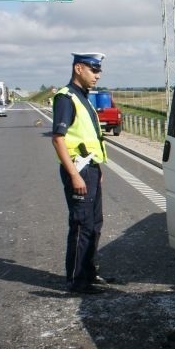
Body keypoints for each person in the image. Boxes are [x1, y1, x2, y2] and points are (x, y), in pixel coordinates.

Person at [52, 52, 109, 294]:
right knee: (81, 225)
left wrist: (97, 168)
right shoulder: (66, 98)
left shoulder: (83, 97)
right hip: (79, 170)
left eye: (99, 71)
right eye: (93, 70)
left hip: (90, 168)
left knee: (94, 224)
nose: (97, 75)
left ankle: (89, 272)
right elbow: (58, 139)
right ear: (78, 68)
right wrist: (74, 174)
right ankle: (76, 282)